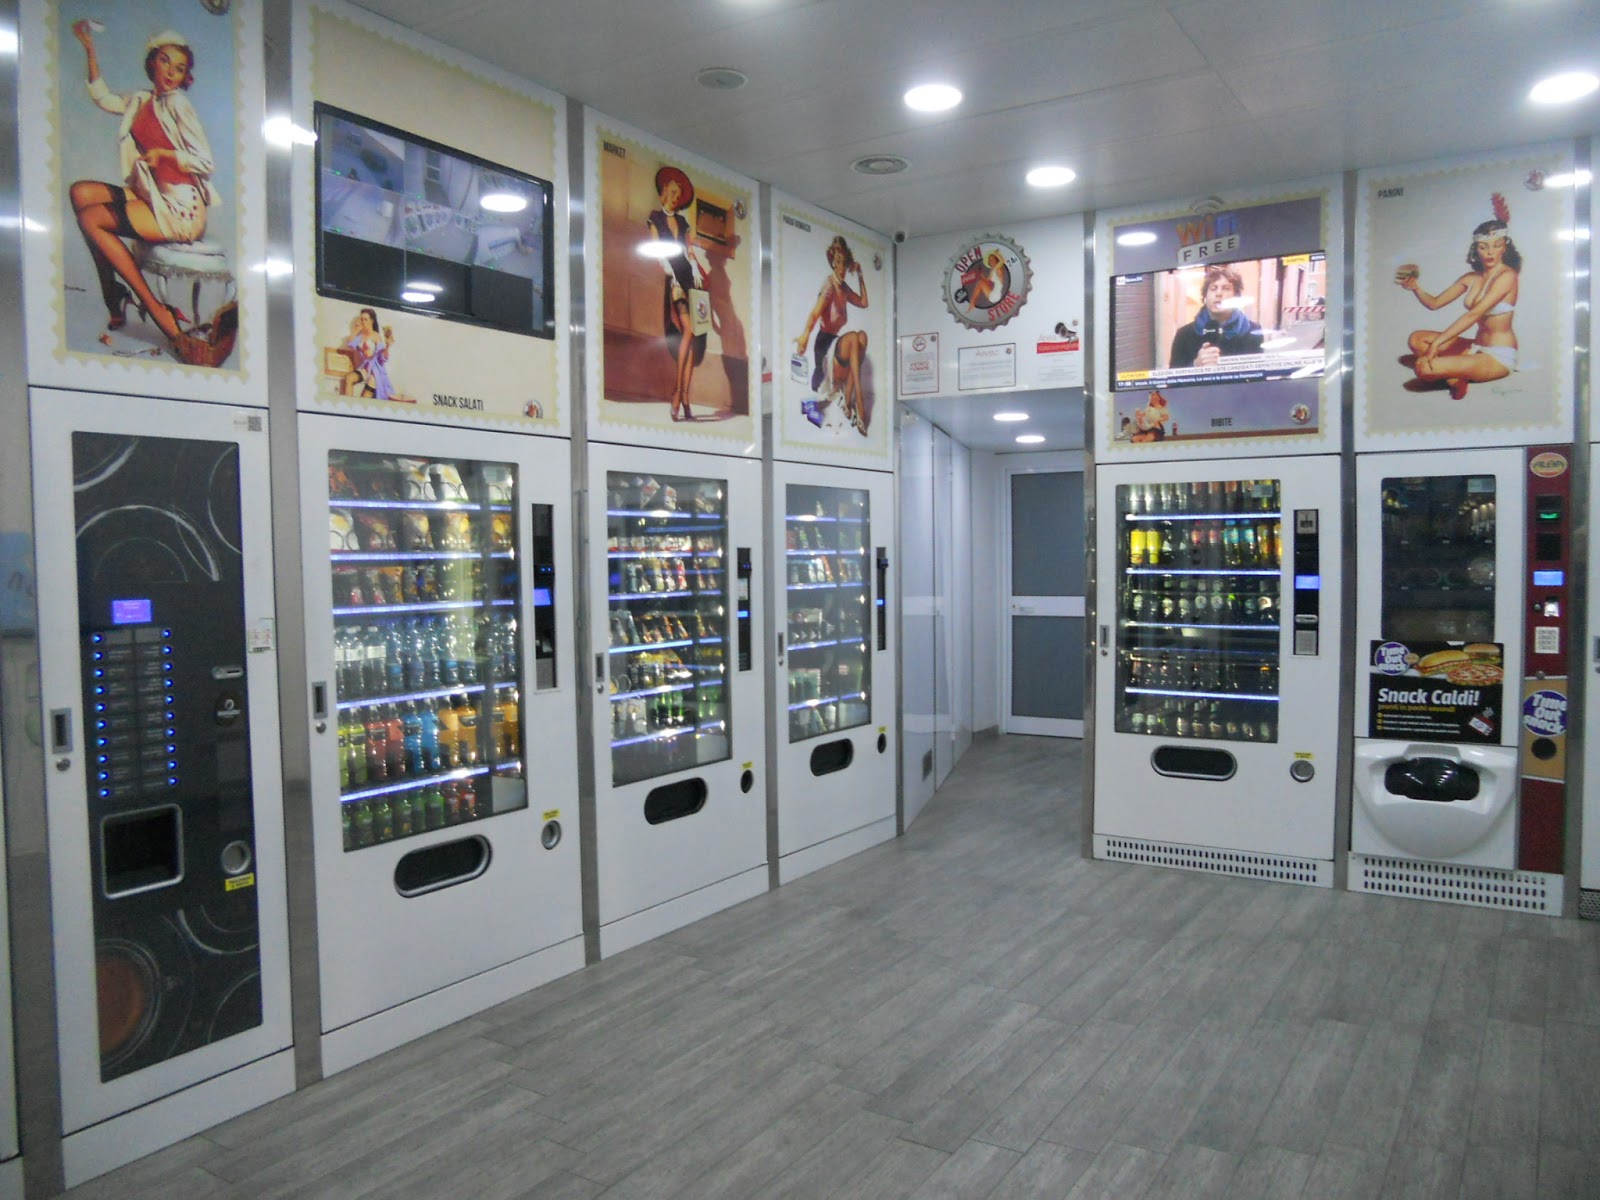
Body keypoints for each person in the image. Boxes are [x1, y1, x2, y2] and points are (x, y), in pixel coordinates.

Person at [67, 21, 234, 366]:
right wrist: (89, 48)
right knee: (81, 193)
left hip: (182, 207)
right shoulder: (142, 100)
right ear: (152, 62)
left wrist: (166, 156)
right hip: (155, 196)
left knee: (91, 219)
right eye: (165, 61)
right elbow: (103, 97)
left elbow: (205, 162)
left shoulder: (178, 104)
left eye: (179, 68)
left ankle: (161, 315)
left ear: (185, 75)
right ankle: (113, 293)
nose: (171, 72)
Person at [1395, 196, 1520, 401]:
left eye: (1496, 245)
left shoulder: (1507, 276)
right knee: (1416, 339)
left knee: (1424, 368)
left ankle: (1455, 374)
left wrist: (1436, 345)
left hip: (1497, 356)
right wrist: (1416, 288)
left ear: (1504, 247)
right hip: (1475, 347)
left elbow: (1474, 314)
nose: (1490, 252)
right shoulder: (1471, 278)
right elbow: (1434, 303)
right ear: (1475, 249)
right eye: (1483, 247)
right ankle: (1456, 374)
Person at [644, 165, 710, 421]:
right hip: (673, 277)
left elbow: (688, 250)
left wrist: (694, 268)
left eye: (678, 195)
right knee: (688, 330)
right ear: (664, 191)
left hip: (688, 277)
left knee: (691, 337)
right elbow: (657, 251)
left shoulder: (682, 223)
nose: (674, 198)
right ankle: (677, 392)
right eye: (672, 192)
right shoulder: (655, 218)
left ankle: (685, 397)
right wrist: (672, 276)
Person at [793, 235, 870, 433]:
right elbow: (815, 313)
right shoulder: (829, 286)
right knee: (853, 338)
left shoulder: (843, 288)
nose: (842, 268)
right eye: (838, 262)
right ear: (833, 262)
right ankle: (858, 401)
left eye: (845, 263)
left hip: (835, 340)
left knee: (861, 337)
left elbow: (863, 302)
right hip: (824, 344)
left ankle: (849, 399)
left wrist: (860, 274)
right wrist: (805, 335)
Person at [1168, 263, 1263, 368]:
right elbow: (1174, 375)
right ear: (1205, 296)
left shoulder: (1253, 331)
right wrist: (1195, 365)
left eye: (1226, 288)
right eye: (1213, 288)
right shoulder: (1184, 334)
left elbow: (1258, 373)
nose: (1218, 293)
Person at [341, 308, 395, 400]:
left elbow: (382, 358)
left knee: (365, 397)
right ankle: (348, 404)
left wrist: (387, 346)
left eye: (365, 319)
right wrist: (356, 330)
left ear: (372, 321)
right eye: (361, 319)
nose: (363, 322)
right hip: (365, 368)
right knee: (349, 378)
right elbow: (350, 344)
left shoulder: (376, 336)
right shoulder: (360, 336)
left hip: (375, 370)